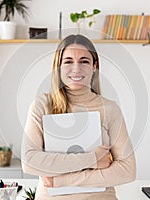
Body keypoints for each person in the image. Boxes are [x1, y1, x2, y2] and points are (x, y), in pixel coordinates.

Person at [22, 34, 136, 200]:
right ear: (58, 66)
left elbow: (127, 170)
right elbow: (29, 161)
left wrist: (60, 180)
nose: (76, 68)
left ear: (94, 66)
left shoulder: (110, 109)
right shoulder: (42, 105)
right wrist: (93, 159)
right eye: (68, 61)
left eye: (84, 61)